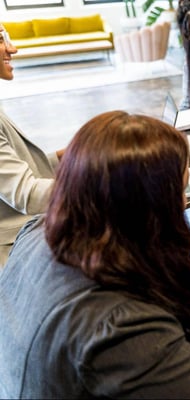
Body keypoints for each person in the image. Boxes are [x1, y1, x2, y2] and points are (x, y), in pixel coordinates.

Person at [0, 111, 190, 398]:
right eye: (180, 192)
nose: (184, 203)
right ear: (148, 208)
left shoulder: (37, 231)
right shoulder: (121, 327)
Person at [0, 24, 63, 266]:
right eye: (1, 39)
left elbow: (9, 172)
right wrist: (100, 186)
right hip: (13, 250)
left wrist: (65, 157)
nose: (12, 48)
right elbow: (26, 195)